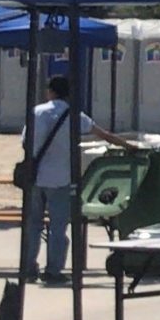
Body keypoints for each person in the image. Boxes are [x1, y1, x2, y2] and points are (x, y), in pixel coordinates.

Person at [22, 75, 127, 285]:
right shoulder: (75, 116)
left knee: (33, 225)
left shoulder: (37, 112)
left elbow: (25, 142)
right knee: (58, 227)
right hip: (61, 178)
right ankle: (53, 270)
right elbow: (103, 134)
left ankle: (28, 267)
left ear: (50, 91)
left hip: (35, 178)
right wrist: (129, 145)